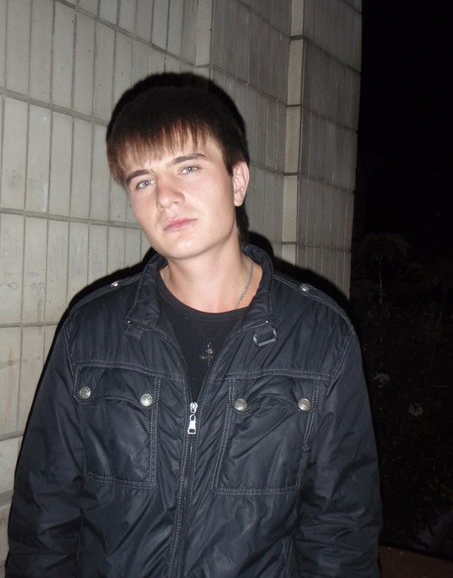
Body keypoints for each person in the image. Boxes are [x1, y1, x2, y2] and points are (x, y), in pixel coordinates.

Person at [7, 84, 381, 577]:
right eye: (143, 181)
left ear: (237, 181)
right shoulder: (91, 330)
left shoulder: (320, 338)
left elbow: (340, 534)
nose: (165, 197)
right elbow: (44, 516)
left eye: (187, 168)